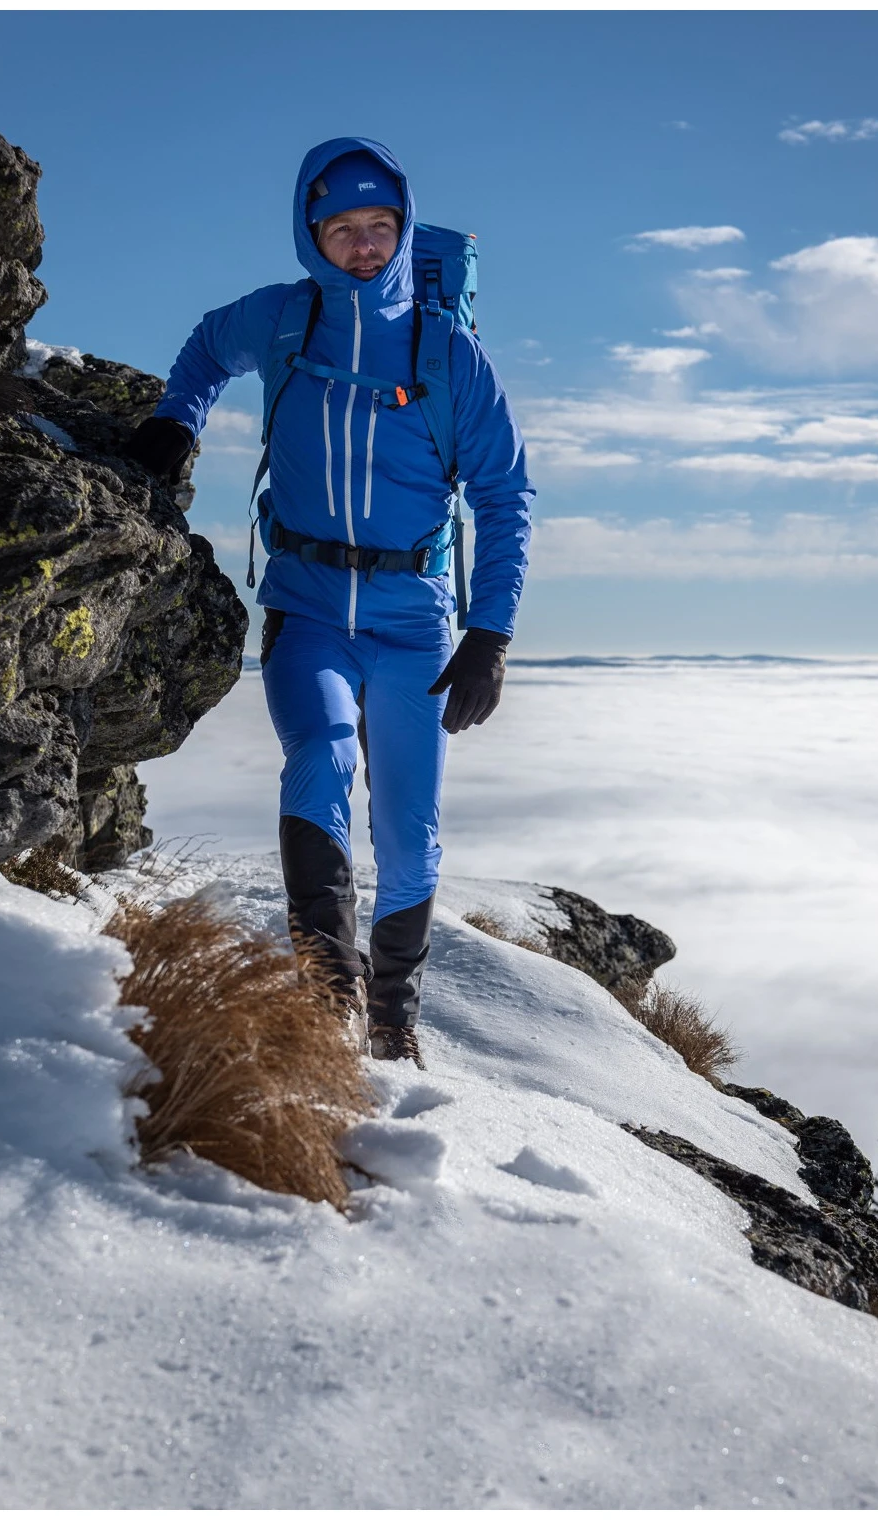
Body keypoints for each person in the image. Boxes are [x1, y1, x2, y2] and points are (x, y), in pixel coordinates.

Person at [127, 138, 534, 1070]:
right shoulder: (282, 319)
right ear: (310, 234)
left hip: (414, 624)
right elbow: (205, 347)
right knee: (319, 758)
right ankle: (327, 1000)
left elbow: (505, 495)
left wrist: (490, 633)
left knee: (408, 829)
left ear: (404, 229)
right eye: (342, 228)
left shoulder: (450, 354)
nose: (362, 245)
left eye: (379, 226)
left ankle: (393, 1019)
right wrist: (175, 419)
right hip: (306, 611)